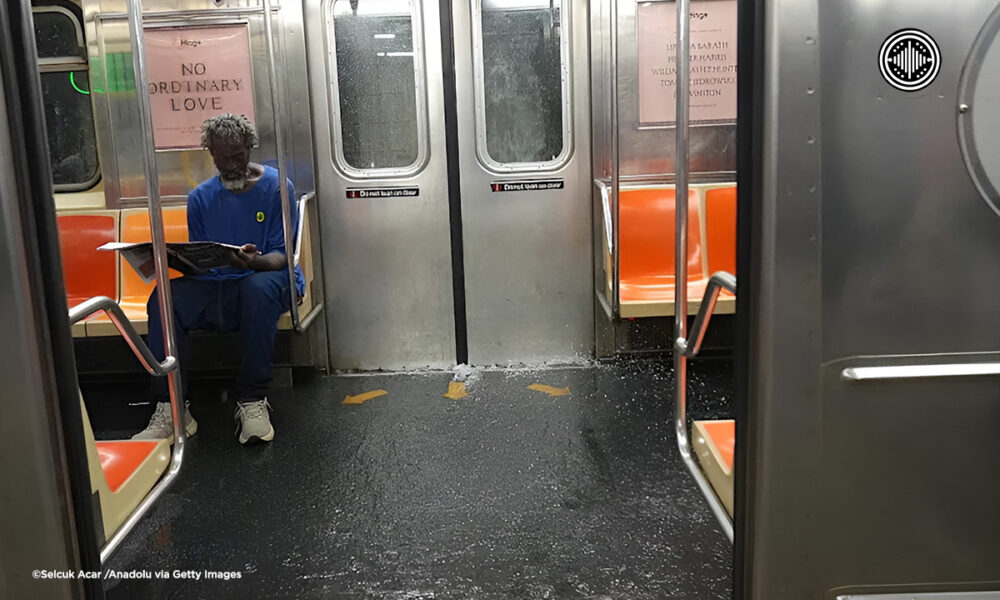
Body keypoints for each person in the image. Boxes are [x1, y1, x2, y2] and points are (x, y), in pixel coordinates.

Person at [134, 113, 304, 445]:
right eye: (222, 158)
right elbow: (203, 261)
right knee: (164, 297)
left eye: (237, 156)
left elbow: (280, 256)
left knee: (256, 288)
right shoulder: (200, 198)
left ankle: (252, 399)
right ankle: (171, 406)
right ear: (211, 154)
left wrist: (252, 261)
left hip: (269, 278)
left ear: (249, 148)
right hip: (219, 283)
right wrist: (182, 262)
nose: (230, 165)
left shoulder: (277, 188)